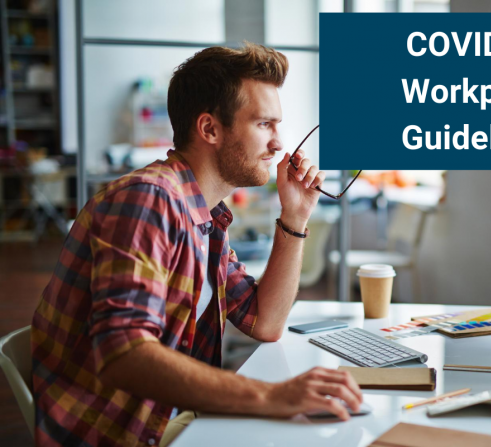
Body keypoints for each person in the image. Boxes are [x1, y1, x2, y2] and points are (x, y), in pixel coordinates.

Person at [31, 43, 362, 447]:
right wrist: (271, 395)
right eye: (264, 124)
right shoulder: (148, 200)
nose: (280, 145)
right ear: (209, 129)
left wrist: (294, 217)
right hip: (121, 434)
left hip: (170, 418)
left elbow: (265, 322)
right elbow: (125, 353)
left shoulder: (206, 216)